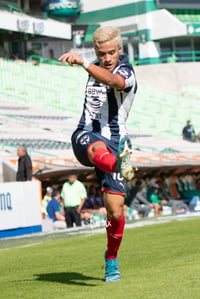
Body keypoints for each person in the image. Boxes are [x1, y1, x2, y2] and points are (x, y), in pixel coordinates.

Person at [58, 26, 137, 282]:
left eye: (111, 52)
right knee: (96, 148)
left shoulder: (127, 72)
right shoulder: (93, 66)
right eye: (101, 53)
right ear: (96, 51)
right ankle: (119, 164)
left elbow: (114, 81)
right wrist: (85, 63)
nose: (106, 58)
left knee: (115, 212)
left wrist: (83, 63)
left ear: (119, 50)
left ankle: (111, 258)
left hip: (116, 139)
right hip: (86, 135)